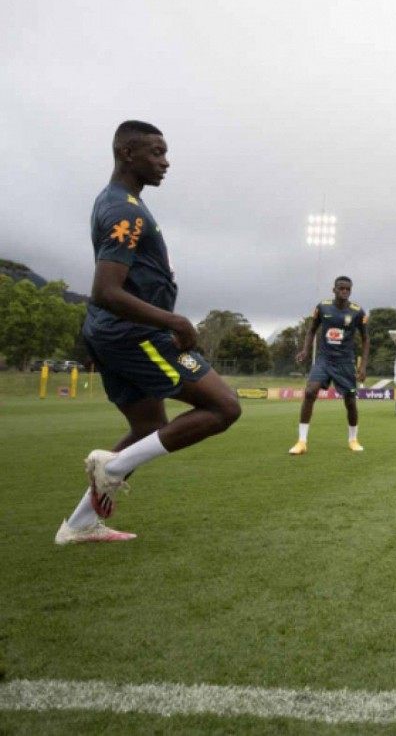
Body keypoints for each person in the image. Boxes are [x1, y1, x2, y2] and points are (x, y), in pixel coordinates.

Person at [57, 120, 242, 545]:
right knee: (224, 407)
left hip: (111, 335)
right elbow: (105, 291)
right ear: (127, 154)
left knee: (147, 428)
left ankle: (80, 524)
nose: (165, 161)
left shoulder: (116, 201)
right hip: (134, 334)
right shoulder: (125, 210)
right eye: (156, 153)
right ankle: (114, 468)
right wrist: (173, 321)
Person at [289, 276, 369, 453]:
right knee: (310, 392)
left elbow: (365, 339)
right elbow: (311, 330)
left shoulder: (358, 312)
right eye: (341, 288)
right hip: (324, 359)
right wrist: (305, 350)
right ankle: (301, 442)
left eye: (348, 289)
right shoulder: (322, 307)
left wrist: (363, 366)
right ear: (334, 290)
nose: (345, 291)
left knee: (350, 400)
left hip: (345, 361)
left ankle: (353, 439)